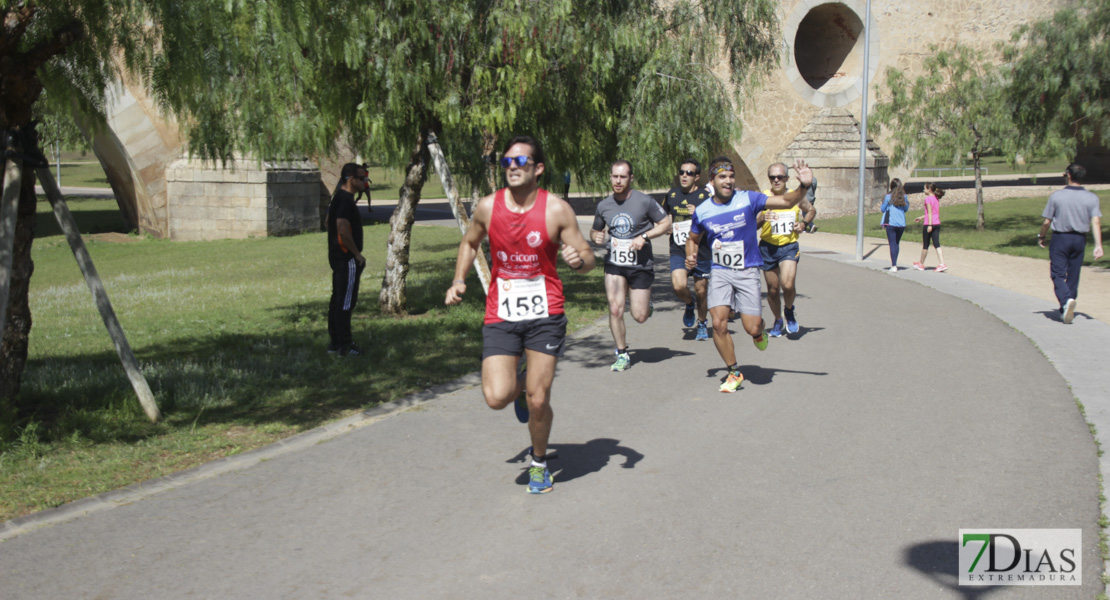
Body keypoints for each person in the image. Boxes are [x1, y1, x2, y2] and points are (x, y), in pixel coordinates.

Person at [445, 135, 595, 494]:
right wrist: (458, 279)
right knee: (497, 397)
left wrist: (579, 261)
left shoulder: (556, 210)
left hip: (546, 312)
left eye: (521, 161)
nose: (512, 167)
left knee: (538, 398)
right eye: (506, 162)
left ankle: (540, 464)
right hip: (502, 311)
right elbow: (469, 242)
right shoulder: (487, 207)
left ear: (538, 168)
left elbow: (587, 255)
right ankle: (519, 384)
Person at [686, 156, 813, 393]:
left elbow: (786, 201)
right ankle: (734, 372)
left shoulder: (748, 199)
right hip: (720, 271)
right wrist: (691, 255)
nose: (728, 181)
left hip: (746, 271)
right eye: (723, 177)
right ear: (712, 180)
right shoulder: (703, 210)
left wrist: (804, 186)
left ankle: (760, 329)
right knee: (719, 323)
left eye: (732, 176)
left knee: (751, 327)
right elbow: (693, 239)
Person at [590, 160, 672, 371]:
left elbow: (665, 224)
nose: (618, 181)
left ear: (631, 178)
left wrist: (644, 235)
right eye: (614, 176)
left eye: (623, 177)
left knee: (640, 316)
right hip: (615, 263)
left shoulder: (644, 201)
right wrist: (596, 237)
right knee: (615, 308)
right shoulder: (604, 205)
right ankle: (622, 353)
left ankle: (647, 305)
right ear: (610, 177)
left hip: (640, 263)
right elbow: (595, 230)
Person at [1038, 163, 1104, 324]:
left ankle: (1066, 300)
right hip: (1079, 239)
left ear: (1068, 175)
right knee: (1074, 274)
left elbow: (1047, 221)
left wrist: (1042, 235)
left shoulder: (1057, 196)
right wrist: (1098, 245)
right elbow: (1095, 221)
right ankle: (1066, 308)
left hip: (1061, 238)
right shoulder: (1091, 197)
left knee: (1058, 274)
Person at [757, 162, 816, 337]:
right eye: (772, 177)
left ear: (786, 179)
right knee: (773, 289)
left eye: (780, 177)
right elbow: (753, 225)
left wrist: (804, 224)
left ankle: (789, 310)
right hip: (767, 247)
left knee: (788, 284)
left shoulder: (794, 196)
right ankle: (778, 319)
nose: (776, 180)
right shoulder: (763, 198)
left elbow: (811, 210)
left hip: (789, 246)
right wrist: (763, 217)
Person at [661, 158, 712, 340]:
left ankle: (702, 323)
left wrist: (697, 213)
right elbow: (662, 217)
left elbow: (714, 224)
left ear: (696, 177)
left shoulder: (705, 197)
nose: (684, 176)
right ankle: (689, 304)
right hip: (678, 249)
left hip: (701, 250)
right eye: (682, 172)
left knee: (701, 291)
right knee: (679, 285)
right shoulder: (672, 195)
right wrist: (665, 226)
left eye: (689, 173)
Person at [326, 163, 369, 356]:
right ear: (351, 180)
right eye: (362, 178)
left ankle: (335, 344)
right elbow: (342, 230)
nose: (365, 181)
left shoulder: (339, 198)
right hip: (347, 258)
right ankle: (344, 344)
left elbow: (328, 222)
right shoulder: (345, 201)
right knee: (345, 302)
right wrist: (356, 254)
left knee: (338, 299)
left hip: (337, 257)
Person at [913, 182, 947, 272]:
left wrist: (929, 225)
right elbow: (931, 213)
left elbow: (930, 213)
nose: (923, 190)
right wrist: (921, 217)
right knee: (937, 244)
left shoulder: (928, 199)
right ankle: (942, 263)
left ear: (929, 189)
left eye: (925, 188)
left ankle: (921, 264)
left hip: (929, 224)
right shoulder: (936, 198)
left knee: (925, 245)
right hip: (937, 223)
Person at [880, 178, 910, 271]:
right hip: (901, 223)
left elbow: (882, 209)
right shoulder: (904, 197)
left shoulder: (888, 197)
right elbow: (906, 209)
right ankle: (895, 263)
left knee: (892, 243)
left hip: (891, 223)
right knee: (896, 243)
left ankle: (894, 265)